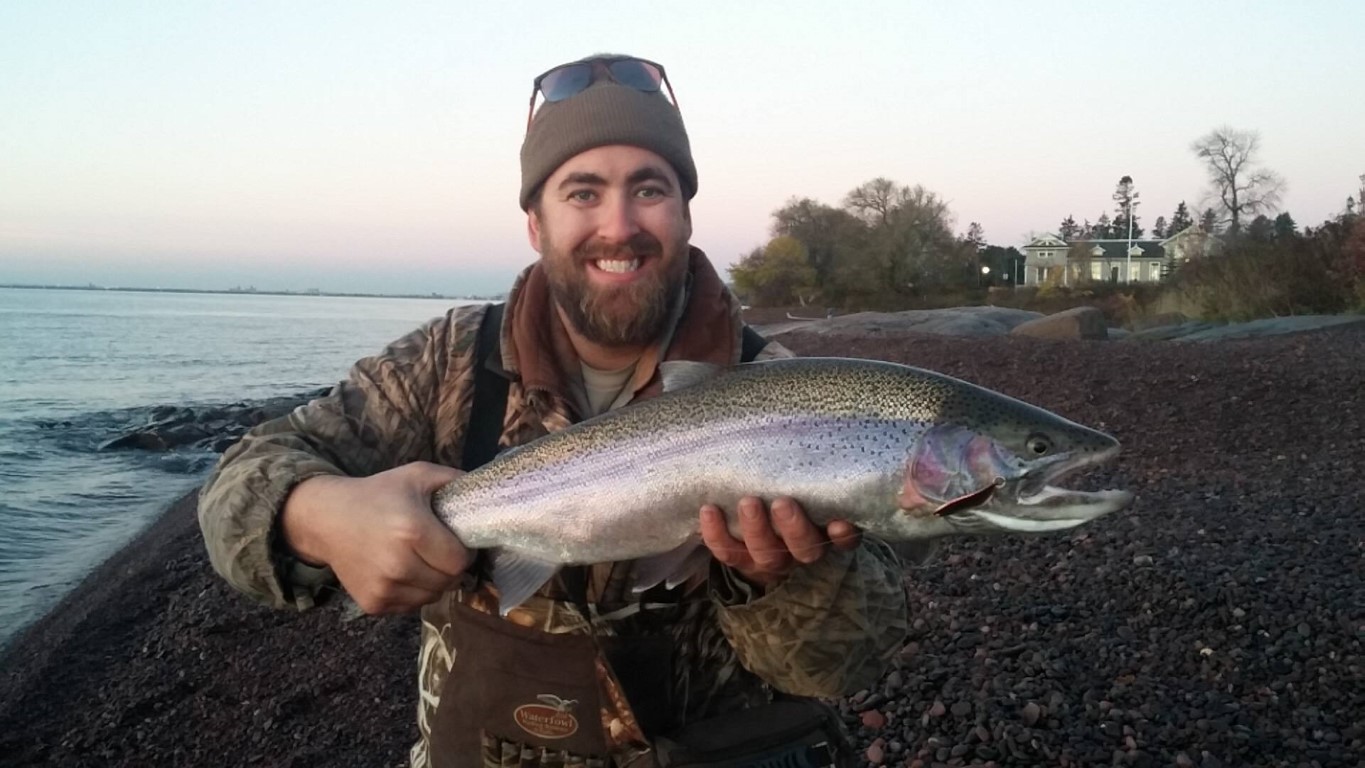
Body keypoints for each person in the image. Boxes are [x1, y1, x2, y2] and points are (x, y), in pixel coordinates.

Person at [198, 53, 908, 768]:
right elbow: (238, 480)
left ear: (686, 214)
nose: (618, 224)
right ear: (535, 224)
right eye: (582, 193)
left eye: (649, 189)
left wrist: (780, 577)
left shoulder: (791, 396)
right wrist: (318, 514)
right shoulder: (447, 361)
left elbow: (839, 668)